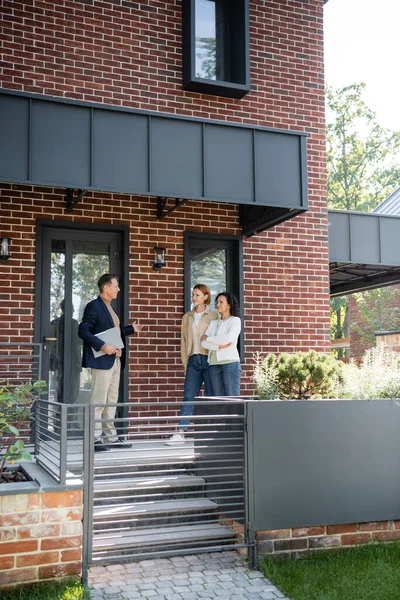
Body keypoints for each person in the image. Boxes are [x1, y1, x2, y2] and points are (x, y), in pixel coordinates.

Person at [78, 273, 143, 452]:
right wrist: (103, 346)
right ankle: (94, 439)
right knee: (98, 400)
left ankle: (110, 437)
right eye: (115, 286)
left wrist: (130, 329)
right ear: (106, 287)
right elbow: (83, 331)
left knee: (111, 401)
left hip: (115, 361)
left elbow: (114, 331)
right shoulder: (94, 306)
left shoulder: (109, 307)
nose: (118, 289)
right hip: (102, 361)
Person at [166, 284, 218, 445]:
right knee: (188, 396)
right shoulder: (187, 317)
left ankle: (211, 434)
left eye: (197, 295)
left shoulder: (213, 315)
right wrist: (185, 361)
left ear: (205, 297)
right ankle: (180, 433)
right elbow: (183, 341)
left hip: (209, 360)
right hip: (193, 361)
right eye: (193, 295)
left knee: (210, 396)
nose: (194, 298)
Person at [201, 292, 241, 396]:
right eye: (217, 302)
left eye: (221, 302)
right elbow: (203, 343)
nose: (217, 304)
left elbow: (227, 339)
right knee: (218, 399)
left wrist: (209, 338)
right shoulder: (213, 323)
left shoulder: (235, 321)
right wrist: (218, 346)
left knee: (232, 398)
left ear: (229, 305)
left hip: (230, 364)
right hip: (214, 365)